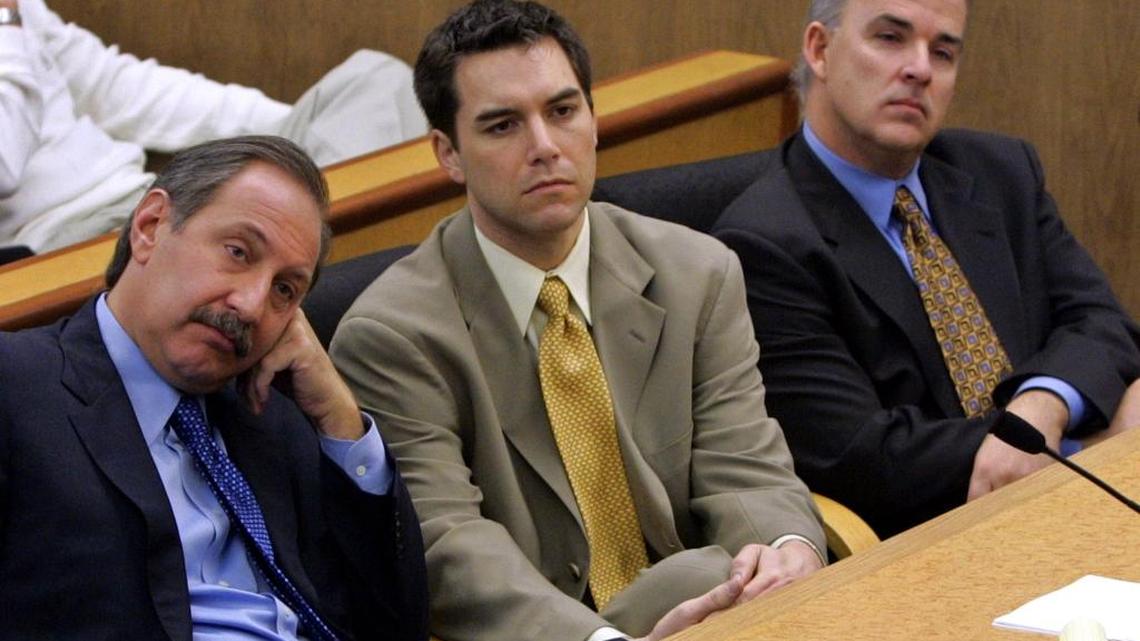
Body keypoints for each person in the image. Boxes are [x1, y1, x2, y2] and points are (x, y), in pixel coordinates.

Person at [330, 2, 825, 641]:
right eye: (503, 125)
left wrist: (784, 556)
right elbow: (450, 549)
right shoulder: (392, 337)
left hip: (721, 612)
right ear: (448, 154)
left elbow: (746, 466)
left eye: (562, 112)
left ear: (592, 120)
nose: (544, 147)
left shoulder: (698, 272)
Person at [711, 0, 1140, 538]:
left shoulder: (1001, 171)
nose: (920, 69)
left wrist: (1044, 404)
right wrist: (1086, 448)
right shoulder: (763, 241)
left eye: (943, 51)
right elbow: (861, 456)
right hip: (932, 543)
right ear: (820, 50)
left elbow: (1100, 321)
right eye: (891, 38)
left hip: (1076, 514)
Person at [0, 136, 429, 640]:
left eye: (285, 290)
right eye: (238, 253)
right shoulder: (19, 385)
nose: (250, 304)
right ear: (150, 227)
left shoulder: (274, 413)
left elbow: (398, 625)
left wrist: (341, 422)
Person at [0, 0, 427, 254]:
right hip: (65, 245)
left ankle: (314, 270)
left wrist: (288, 135)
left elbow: (113, 86)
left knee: (376, 82)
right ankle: (318, 276)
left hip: (149, 195)